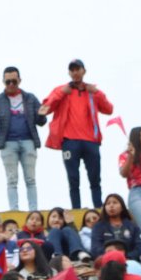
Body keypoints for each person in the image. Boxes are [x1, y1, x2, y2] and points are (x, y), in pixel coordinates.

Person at [39, 59, 114, 209]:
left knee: (95, 178)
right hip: (69, 141)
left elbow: (109, 109)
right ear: (69, 73)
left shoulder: (92, 91)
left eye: (77, 69)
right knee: (73, 179)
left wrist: (97, 93)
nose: (75, 72)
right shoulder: (61, 90)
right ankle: (76, 210)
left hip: (91, 141)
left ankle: (99, 209)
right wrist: (61, 93)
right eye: (72, 70)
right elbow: (44, 109)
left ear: (84, 71)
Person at [0, 66, 47, 211]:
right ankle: (14, 210)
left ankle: (33, 210)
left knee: (31, 179)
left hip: (28, 141)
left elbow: (41, 121)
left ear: (20, 80)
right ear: (3, 82)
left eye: (14, 81)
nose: (11, 84)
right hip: (7, 143)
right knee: (12, 180)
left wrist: (42, 114)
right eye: (8, 82)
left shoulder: (30, 98)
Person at [89, 194, 141, 261]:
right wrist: (113, 256)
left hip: (130, 261)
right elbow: (95, 249)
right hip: (107, 262)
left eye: (115, 202)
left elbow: (138, 248)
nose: (111, 206)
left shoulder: (132, 226)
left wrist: (126, 257)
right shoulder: (98, 227)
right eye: (108, 203)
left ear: (122, 207)